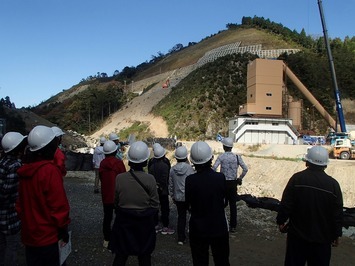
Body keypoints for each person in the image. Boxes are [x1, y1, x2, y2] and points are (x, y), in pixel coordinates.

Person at [276, 145, 343, 266]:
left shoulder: (297, 179)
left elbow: (286, 203)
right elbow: (337, 213)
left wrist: (281, 221)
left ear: (307, 162)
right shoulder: (333, 185)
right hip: (322, 240)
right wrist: (336, 234)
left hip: (297, 237)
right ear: (325, 164)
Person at [16, 125, 71, 266]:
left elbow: (19, 205)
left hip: (30, 237)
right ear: (49, 146)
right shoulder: (49, 171)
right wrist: (63, 229)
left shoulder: (24, 171)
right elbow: (59, 206)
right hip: (48, 238)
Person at [110, 141, 159, 266]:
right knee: (144, 256)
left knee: (121, 255)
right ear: (145, 161)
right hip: (144, 223)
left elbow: (115, 201)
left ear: (130, 160)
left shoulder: (120, 178)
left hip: (124, 222)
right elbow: (155, 204)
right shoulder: (150, 179)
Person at [185, 141, 230, 266]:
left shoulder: (190, 180)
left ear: (193, 161)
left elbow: (188, 204)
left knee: (200, 261)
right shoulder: (220, 178)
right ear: (211, 158)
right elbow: (224, 201)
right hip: (219, 227)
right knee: (222, 260)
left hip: (198, 228)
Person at [0, 132, 27, 266]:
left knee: (3, 245)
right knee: (11, 247)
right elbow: (6, 193)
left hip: (3, 214)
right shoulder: (15, 166)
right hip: (10, 215)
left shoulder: (2, 162)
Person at [212, 137, 248, 232]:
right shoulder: (237, 157)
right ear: (231, 147)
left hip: (222, 183)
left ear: (224, 147)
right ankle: (233, 226)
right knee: (233, 206)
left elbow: (214, 168)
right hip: (233, 184)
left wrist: (216, 178)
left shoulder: (221, 157)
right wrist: (240, 178)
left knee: (220, 204)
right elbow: (245, 169)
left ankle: (219, 223)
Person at [99, 140, 126, 248]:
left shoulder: (102, 164)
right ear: (115, 152)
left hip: (106, 195)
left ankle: (107, 239)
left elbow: (101, 177)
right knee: (120, 217)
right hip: (118, 195)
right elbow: (124, 177)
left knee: (107, 217)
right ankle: (119, 237)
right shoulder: (119, 163)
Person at [169, 145, 195, 245]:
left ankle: (181, 238)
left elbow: (170, 185)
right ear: (186, 156)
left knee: (181, 217)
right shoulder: (190, 169)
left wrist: (172, 196)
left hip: (178, 197)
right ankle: (192, 235)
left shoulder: (172, 170)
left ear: (176, 157)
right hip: (188, 197)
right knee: (192, 216)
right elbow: (193, 184)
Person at [148, 143, 174, 234]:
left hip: (154, 189)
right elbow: (167, 177)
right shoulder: (166, 164)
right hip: (163, 190)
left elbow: (149, 176)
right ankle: (165, 225)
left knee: (155, 206)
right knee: (165, 207)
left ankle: (155, 225)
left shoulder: (151, 164)